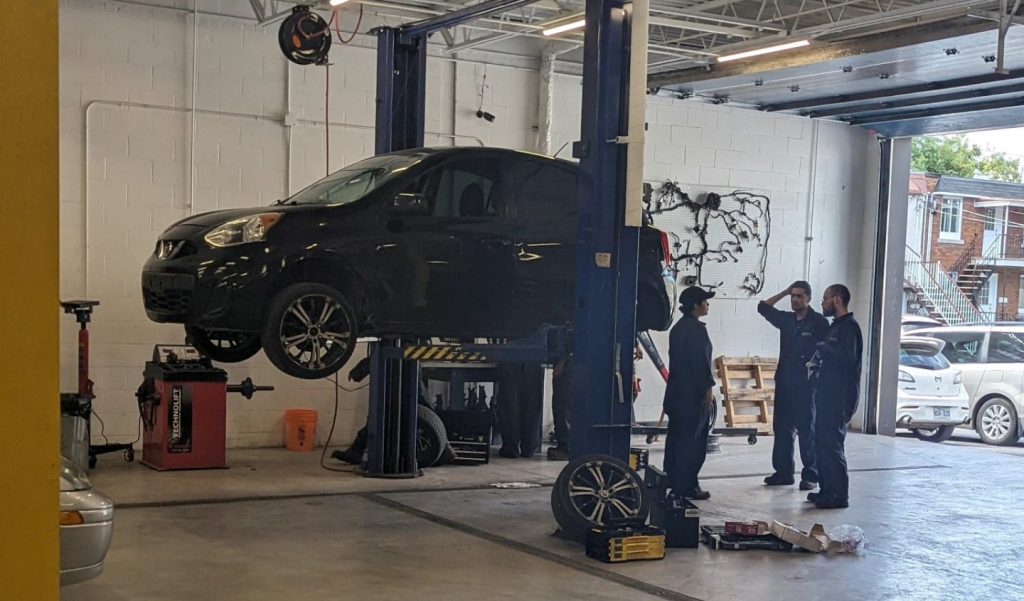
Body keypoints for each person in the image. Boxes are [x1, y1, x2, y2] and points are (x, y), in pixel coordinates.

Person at [757, 281, 829, 490]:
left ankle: (811, 475)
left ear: (808, 298)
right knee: (782, 429)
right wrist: (784, 291)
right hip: (785, 382)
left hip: (806, 386)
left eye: (799, 296)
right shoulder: (786, 320)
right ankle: (783, 472)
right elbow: (763, 307)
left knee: (807, 430)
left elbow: (826, 352)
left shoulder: (819, 322)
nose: (795, 299)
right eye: (793, 296)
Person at [807, 284, 863, 509]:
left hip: (839, 397)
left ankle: (839, 495)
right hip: (825, 394)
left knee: (833, 445)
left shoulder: (849, 328)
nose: (822, 303)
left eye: (825, 299)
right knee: (821, 443)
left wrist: (826, 349)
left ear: (837, 300)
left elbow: (848, 361)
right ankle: (826, 490)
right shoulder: (835, 327)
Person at [663, 286, 717, 501]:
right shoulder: (697, 330)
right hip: (692, 396)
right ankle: (688, 485)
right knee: (693, 442)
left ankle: (674, 481)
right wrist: (708, 389)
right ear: (696, 305)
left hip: (676, 394)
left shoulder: (677, 328)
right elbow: (700, 363)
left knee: (676, 439)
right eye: (705, 301)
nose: (708, 305)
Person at [547, 357, 572, 461]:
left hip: (566, 363)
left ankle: (565, 448)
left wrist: (561, 360)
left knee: (561, 407)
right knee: (564, 407)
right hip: (572, 362)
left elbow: (564, 342)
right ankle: (567, 446)